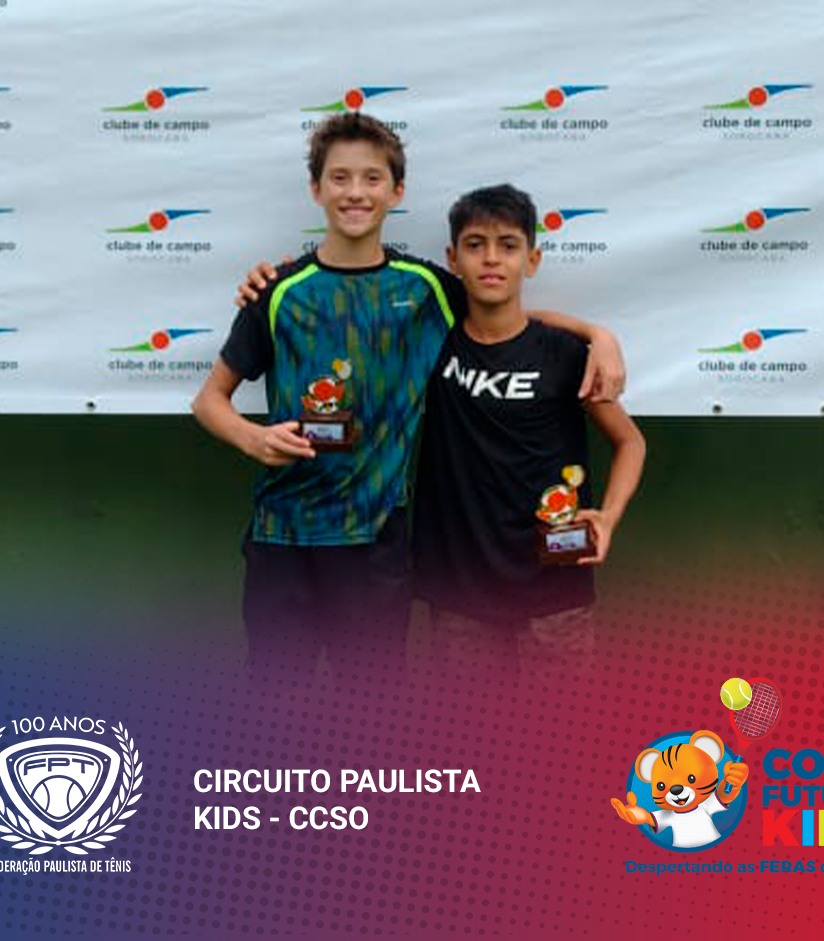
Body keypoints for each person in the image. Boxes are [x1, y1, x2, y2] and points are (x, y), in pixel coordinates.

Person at [192, 114, 624, 692]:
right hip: (282, 540)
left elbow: (504, 315)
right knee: (276, 702)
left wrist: (597, 335)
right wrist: (254, 437)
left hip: (378, 547)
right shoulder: (277, 291)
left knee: (371, 709)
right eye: (340, 177)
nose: (355, 192)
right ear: (315, 189)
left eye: (372, 178)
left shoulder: (426, 288)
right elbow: (209, 401)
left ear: (396, 192)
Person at [413, 184, 646, 686]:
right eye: (475, 245)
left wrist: (608, 517)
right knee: (468, 727)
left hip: (555, 587)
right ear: (453, 259)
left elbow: (631, 442)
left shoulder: (565, 355)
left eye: (508, 245)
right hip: (460, 588)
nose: (491, 259)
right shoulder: (432, 342)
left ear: (532, 259)